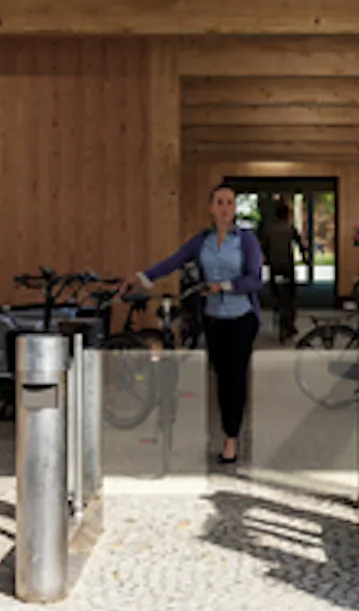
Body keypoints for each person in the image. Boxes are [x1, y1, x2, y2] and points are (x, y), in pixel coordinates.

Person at [131, 182, 263, 464]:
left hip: (241, 318)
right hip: (213, 319)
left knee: (234, 379)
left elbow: (255, 278)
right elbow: (175, 260)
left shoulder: (246, 240)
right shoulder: (201, 240)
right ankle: (228, 428)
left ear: (235, 208)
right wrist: (144, 277)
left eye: (229, 202)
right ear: (211, 207)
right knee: (220, 376)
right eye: (219, 202)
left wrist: (224, 285)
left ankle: (231, 440)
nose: (225, 208)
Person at [257, 195, 309, 343]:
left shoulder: (269, 230)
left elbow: (262, 248)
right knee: (291, 296)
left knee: (277, 294)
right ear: (287, 215)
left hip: (275, 267)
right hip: (288, 267)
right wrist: (305, 259)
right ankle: (290, 323)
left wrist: (264, 259)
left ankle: (277, 307)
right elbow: (299, 244)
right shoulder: (290, 228)